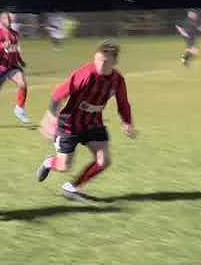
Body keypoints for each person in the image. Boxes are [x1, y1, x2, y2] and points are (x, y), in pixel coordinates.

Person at [37, 40, 135, 201]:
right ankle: (49, 162)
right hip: (69, 124)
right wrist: (50, 117)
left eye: (105, 61)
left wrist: (127, 122)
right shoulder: (85, 74)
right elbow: (58, 94)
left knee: (103, 161)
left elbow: (123, 103)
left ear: (114, 61)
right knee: (63, 167)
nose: (100, 64)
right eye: (98, 59)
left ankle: (71, 188)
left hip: (93, 124)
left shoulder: (117, 80)